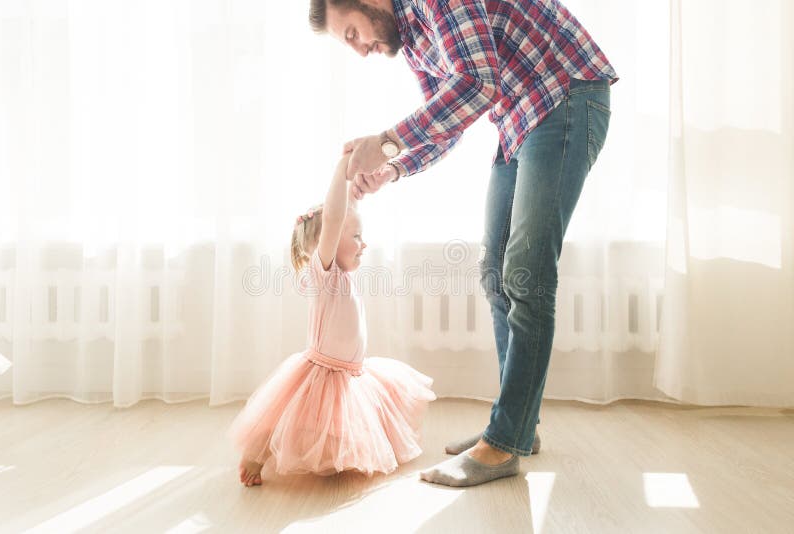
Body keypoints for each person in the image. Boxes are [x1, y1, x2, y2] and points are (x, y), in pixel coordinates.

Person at [309, 0, 617, 486]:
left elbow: (479, 85)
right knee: (495, 274)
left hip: (565, 98)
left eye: (351, 34)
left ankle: (503, 442)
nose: (361, 51)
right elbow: (448, 118)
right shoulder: (412, 39)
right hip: (521, 119)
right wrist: (392, 167)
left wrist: (387, 138)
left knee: (527, 274)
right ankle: (519, 425)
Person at [228, 154, 436, 486]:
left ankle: (332, 457)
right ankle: (256, 455)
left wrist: (356, 187)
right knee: (288, 416)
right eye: (355, 238)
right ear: (325, 242)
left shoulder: (342, 275)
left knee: (339, 424)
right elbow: (337, 214)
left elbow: (345, 214)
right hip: (323, 368)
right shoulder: (323, 273)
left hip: (352, 370)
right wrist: (340, 172)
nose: (363, 243)